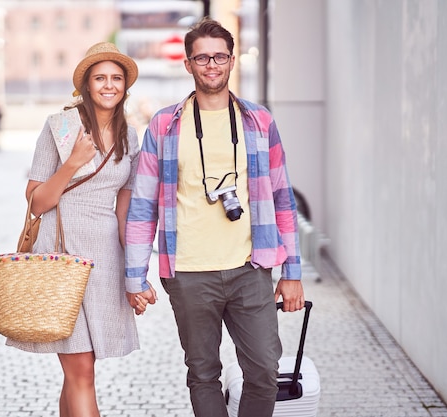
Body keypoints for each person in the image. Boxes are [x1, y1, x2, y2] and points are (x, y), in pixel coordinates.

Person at [124, 18, 305, 417]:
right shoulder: (165, 125)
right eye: (202, 57)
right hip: (188, 273)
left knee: (263, 372)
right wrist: (134, 276)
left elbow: (282, 199)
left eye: (219, 56)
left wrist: (292, 271)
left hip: (249, 268)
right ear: (188, 64)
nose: (211, 64)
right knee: (203, 374)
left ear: (232, 60)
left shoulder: (259, 122)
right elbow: (142, 206)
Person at [7, 42, 155, 416]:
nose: (109, 85)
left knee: (79, 372)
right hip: (62, 256)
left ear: (125, 86)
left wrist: (134, 272)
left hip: (104, 259)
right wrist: (72, 162)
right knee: (81, 370)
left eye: (116, 78)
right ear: (86, 86)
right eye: (100, 78)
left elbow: (125, 210)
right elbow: (37, 202)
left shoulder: (130, 137)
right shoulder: (59, 127)